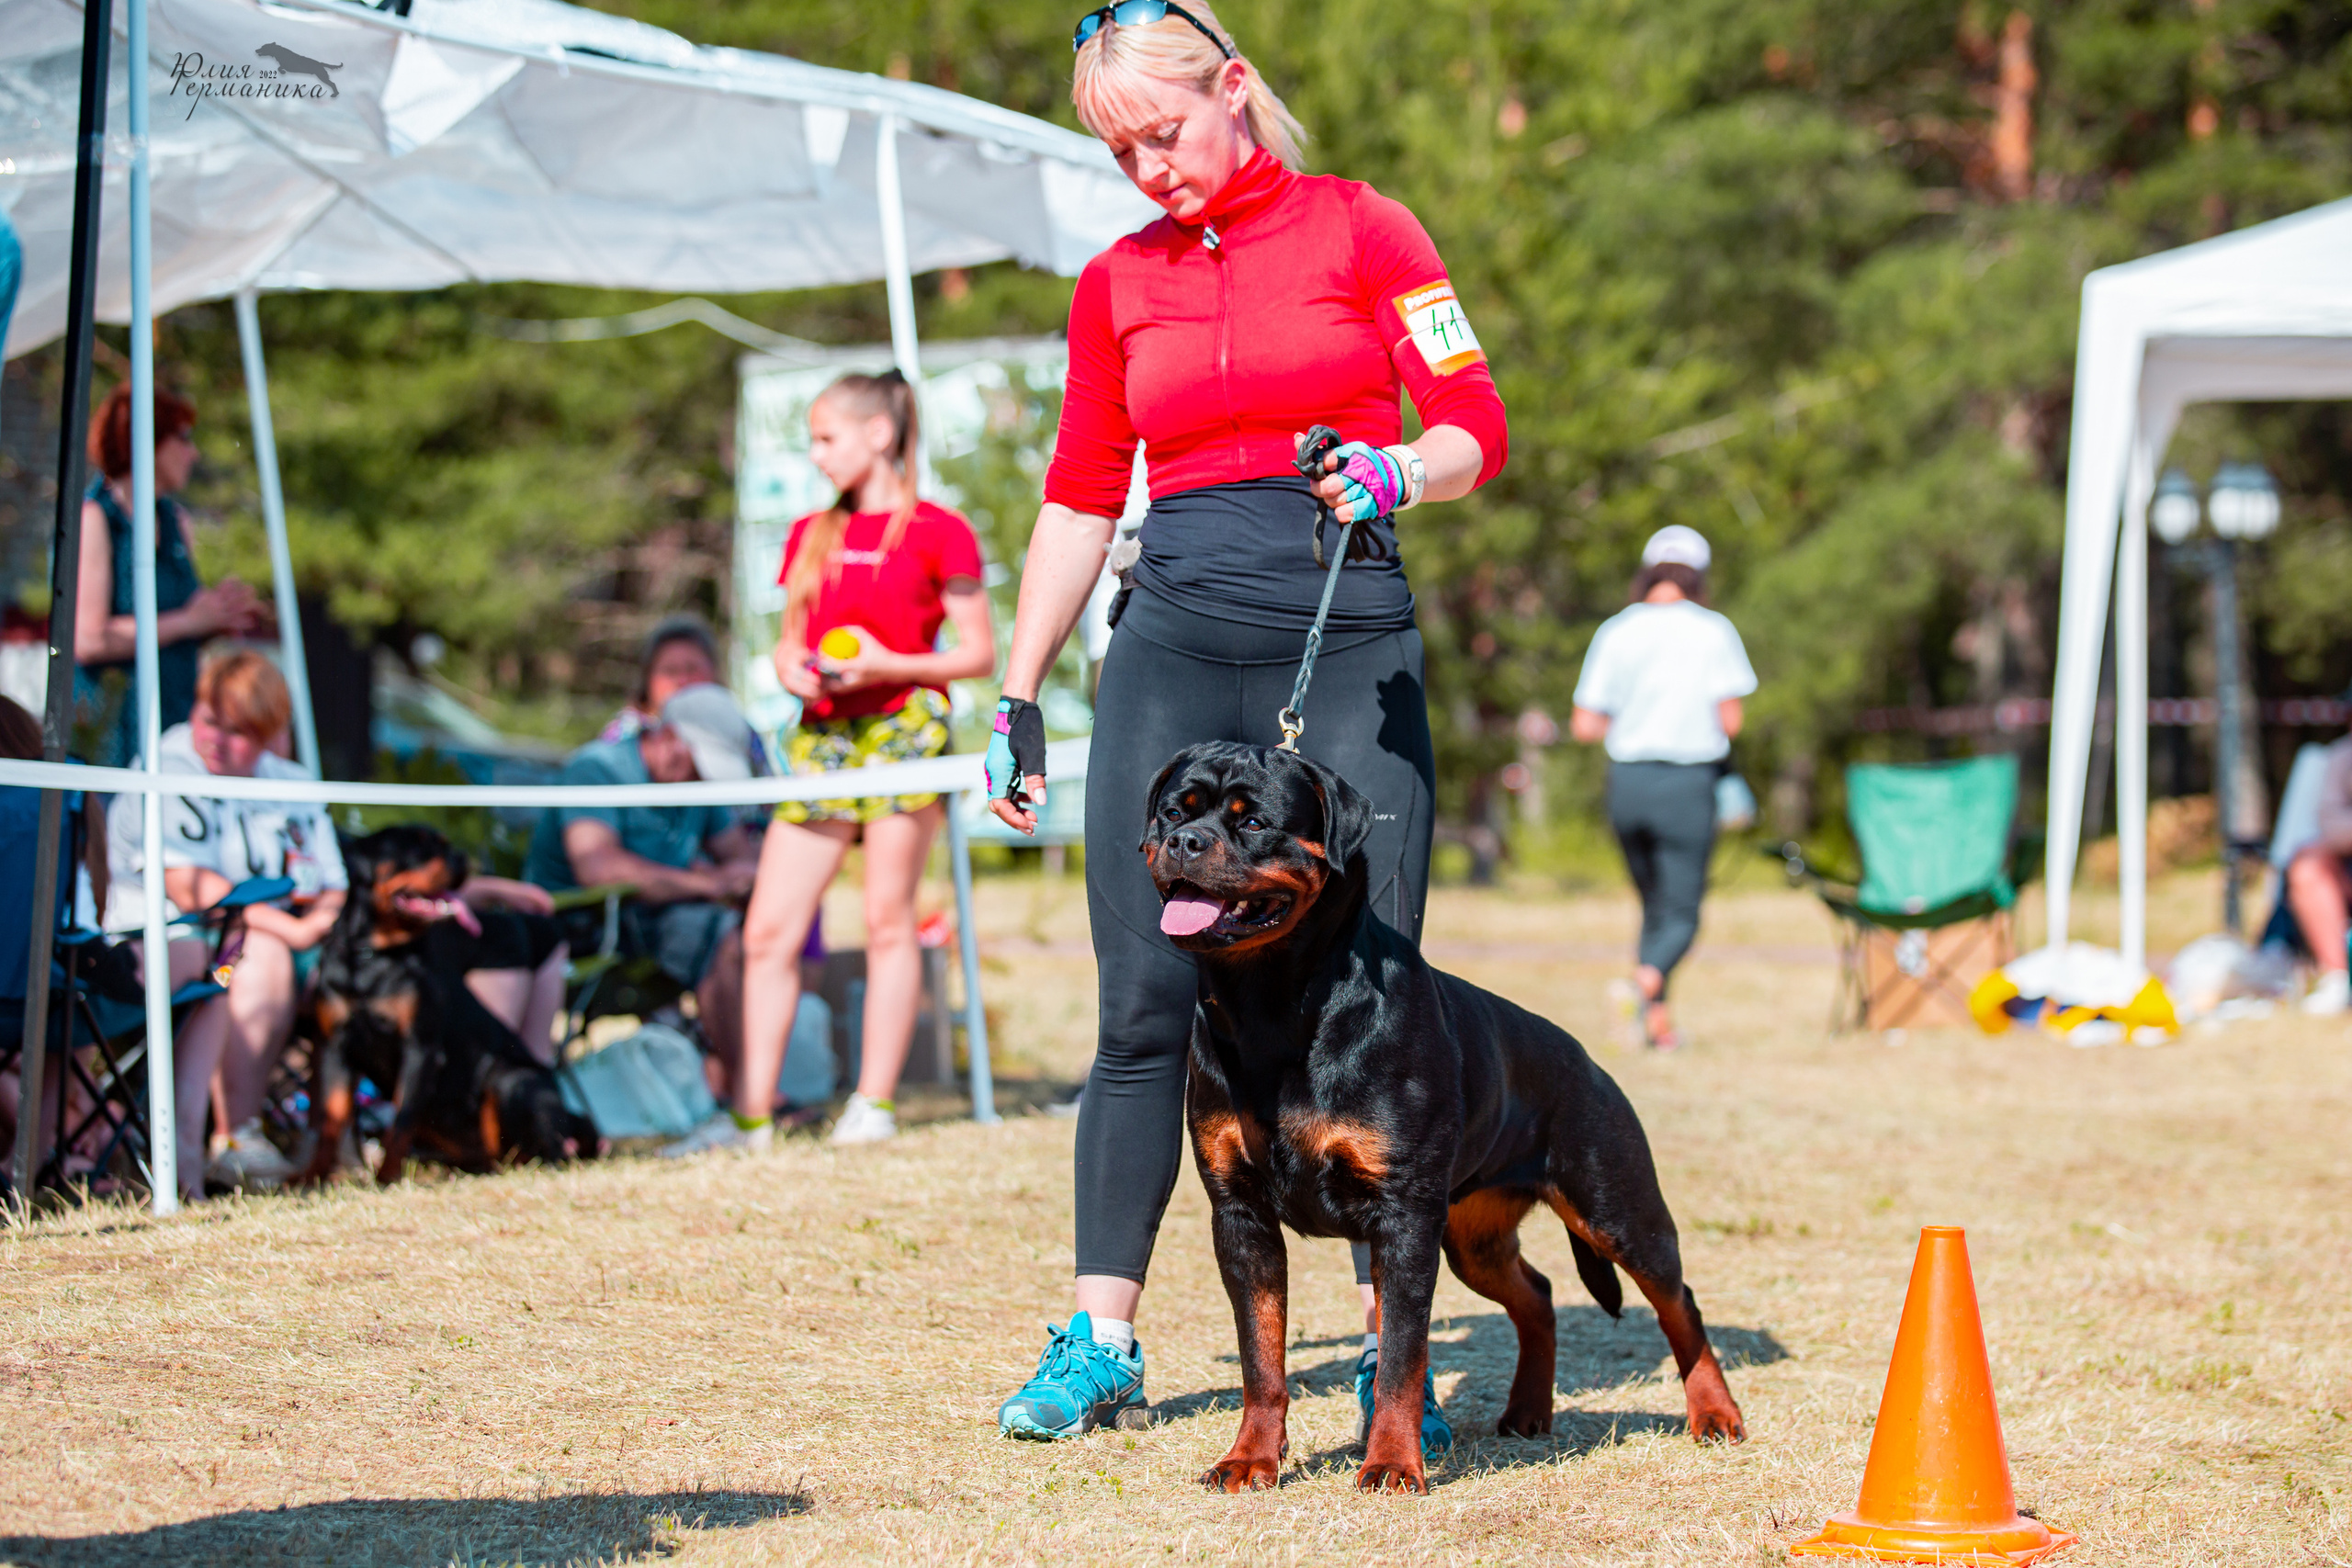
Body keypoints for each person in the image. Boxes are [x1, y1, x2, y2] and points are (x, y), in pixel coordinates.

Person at [981, 2, 1507, 1444]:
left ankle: (1373, 1352)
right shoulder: (1114, 283)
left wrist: (1404, 466)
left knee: (1373, 1005)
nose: (1148, 170)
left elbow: (1476, 418)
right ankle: (1100, 1338)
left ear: (1237, 88)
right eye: (1120, 152)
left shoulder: (1364, 227)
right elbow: (1084, 492)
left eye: (1165, 133)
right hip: (1173, 645)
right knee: (1146, 1005)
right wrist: (1021, 689)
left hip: (1348, 639)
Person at [719, 370, 995, 1155]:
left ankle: (871, 1104)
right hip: (823, 738)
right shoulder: (812, 531)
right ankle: (751, 1120)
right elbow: (788, 635)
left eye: (826, 437)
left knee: (886, 919)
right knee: (768, 930)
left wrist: (888, 663)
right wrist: (786, 664)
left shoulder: (942, 529)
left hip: (902, 730)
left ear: (879, 434)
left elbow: (978, 653)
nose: (815, 456)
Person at [104, 652, 346, 1190]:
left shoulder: (289, 780)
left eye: (237, 731)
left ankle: (345, 1131)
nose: (215, 739)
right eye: (209, 719)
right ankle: (236, 1135)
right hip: (166, 941)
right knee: (257, 957)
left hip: (270, 939)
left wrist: (320, 921)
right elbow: (193, 887)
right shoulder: (166, 768)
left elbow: (333, 880)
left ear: (269, 734)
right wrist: (295, 931)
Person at [1569, 525, 1757, 1052]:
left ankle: (1658, 1026)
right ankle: (1639, 986)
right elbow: (1733, 720)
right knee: (1681, 913)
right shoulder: (1713, 630)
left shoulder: (1616, 630)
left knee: (1654, 906)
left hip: (1627, 783)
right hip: (1686, 784)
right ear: (1699, 576)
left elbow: (1586, 725)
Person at [525, 683, 763, 1079]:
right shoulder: (595, 769)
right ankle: (750, 1090)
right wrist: (707, 884)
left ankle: (738, 1079)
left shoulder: (693, 784)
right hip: (585, 928)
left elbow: (739, 856)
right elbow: (597, 868)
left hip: (655, 923)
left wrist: (740, 878)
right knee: (718, 933)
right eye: (700, 763)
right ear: (668, 737)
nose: (703, 778)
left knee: (754, 930)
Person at [74, 382, 265, 767]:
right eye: (184, 438)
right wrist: (188, 621)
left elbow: (180, 623)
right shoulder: (96, 519)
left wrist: (216, 617)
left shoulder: (176, 521)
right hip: (113, 731)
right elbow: (87, 640)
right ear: (145, 439)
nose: (193, 454)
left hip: (174, 723)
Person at [2283, 708, 2352, 1015]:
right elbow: (2331, 826)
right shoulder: (2341, 758)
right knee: (2308, 864)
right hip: (2345, 868)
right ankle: (2336, 979)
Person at [597, 615, 723, 744]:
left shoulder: (732, 728)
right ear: (647, 678)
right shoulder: (625, 737)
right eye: (670, 671)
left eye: (692, 669)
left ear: (714, 672)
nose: (682, 680)